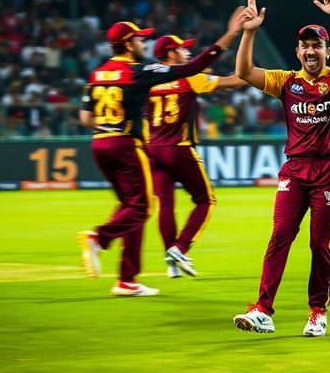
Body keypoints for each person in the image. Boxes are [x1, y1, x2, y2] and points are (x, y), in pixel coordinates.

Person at [232, 0, 330, 336]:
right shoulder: (286, 81)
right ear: (296, 51)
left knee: (319, 243)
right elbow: (244, 72)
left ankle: (317, 312)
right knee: (280, 234)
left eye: (317, 46)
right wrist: (248, 34)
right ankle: (263, 309)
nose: (311, 51)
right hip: (294, 169)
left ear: (327, 50)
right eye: (305, 46)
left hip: (328, 170)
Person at [78, 16, 245, 297]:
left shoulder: (96, 75)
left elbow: (85, 118)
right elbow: (194, 67)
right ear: (129, 45)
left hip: (100, 143)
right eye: (140, 39)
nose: (144, 43)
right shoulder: (139, 71)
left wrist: (109, 128)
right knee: (145, 208)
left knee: (132, 208)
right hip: (131, 145)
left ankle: (126, 279)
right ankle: (99, 238)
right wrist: (230, 35)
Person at [146, 10, 247, 279]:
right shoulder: (190, 77)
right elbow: (235, 81)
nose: (188, 54)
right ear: (170, 54)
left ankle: (171, 261)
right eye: (182, 49)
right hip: (179, 148)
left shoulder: (148, 80)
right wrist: (252, 69)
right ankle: (180, 248)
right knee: (206, 200)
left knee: (165, 204)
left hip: (152, 149)